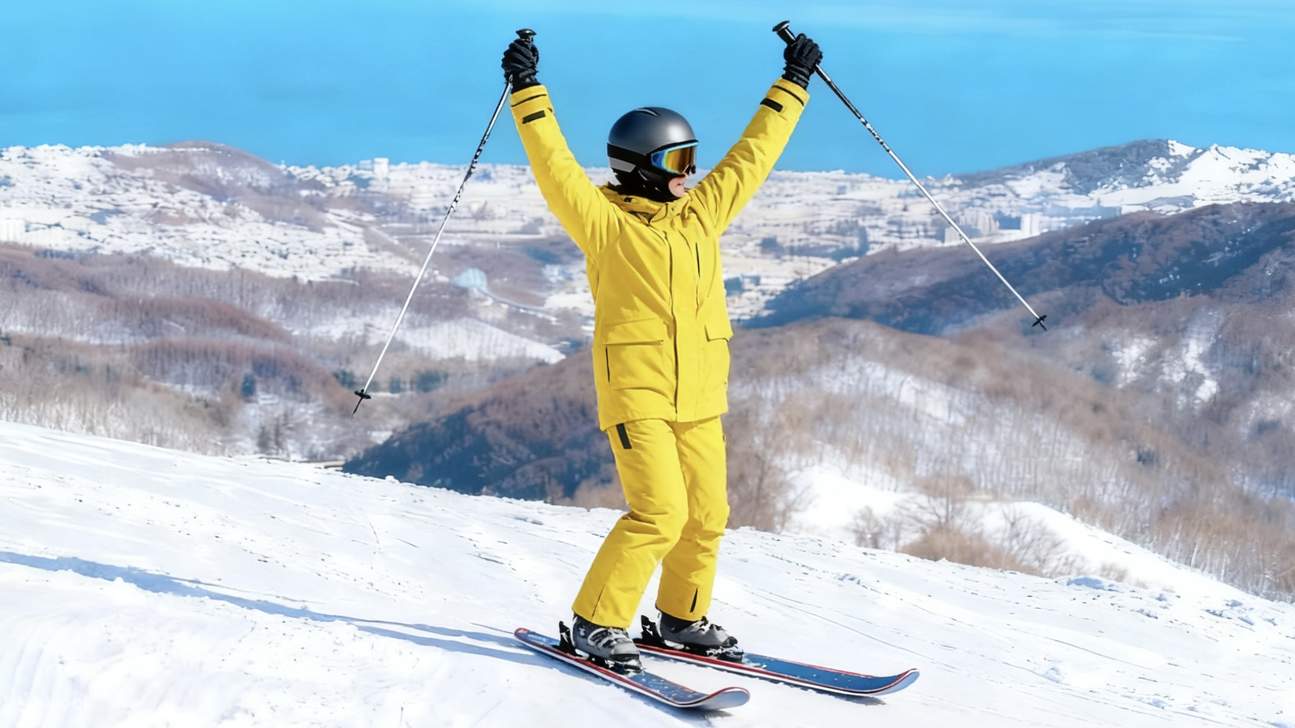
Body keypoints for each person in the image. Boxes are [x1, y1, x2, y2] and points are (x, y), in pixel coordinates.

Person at [502, 30, 821, 672]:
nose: (692, 174)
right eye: (679, 163)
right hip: (638, 393)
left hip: (700, 393)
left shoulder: (702, 213)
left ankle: (679, 616)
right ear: (642, 167)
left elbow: (751, 158)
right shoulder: (604, 224)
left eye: (692, 160)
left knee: (707, 515)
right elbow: (553, 164)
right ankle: (595, 621)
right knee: (659, 512)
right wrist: (527, 92)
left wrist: (794, 83)